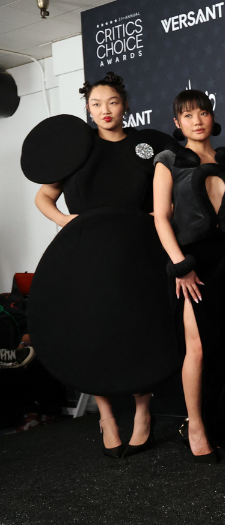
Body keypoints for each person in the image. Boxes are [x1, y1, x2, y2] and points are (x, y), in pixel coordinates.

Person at [22, 72, 178, 459]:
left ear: (125, 105)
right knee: (91, 333)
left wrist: (162, 213)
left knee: (140, 332)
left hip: (137, 255)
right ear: (88, 109)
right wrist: (67, 222)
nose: (104, 110)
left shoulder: (149, 143)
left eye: (112, 102)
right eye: (96, 104)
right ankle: (106, 417)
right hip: (85, 257)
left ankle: (142, 414)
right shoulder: (77, 148)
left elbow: (176, 188)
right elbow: (44, 197)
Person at [152, 90, 225, 462]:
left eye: (202, 113)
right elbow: (161, 218)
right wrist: (180, 266)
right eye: (188, 115)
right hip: (191, 263)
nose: (197, 121)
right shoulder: (168, 161)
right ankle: (195, 427)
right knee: (199, 349)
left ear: (212, 116)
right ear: (177, 123)